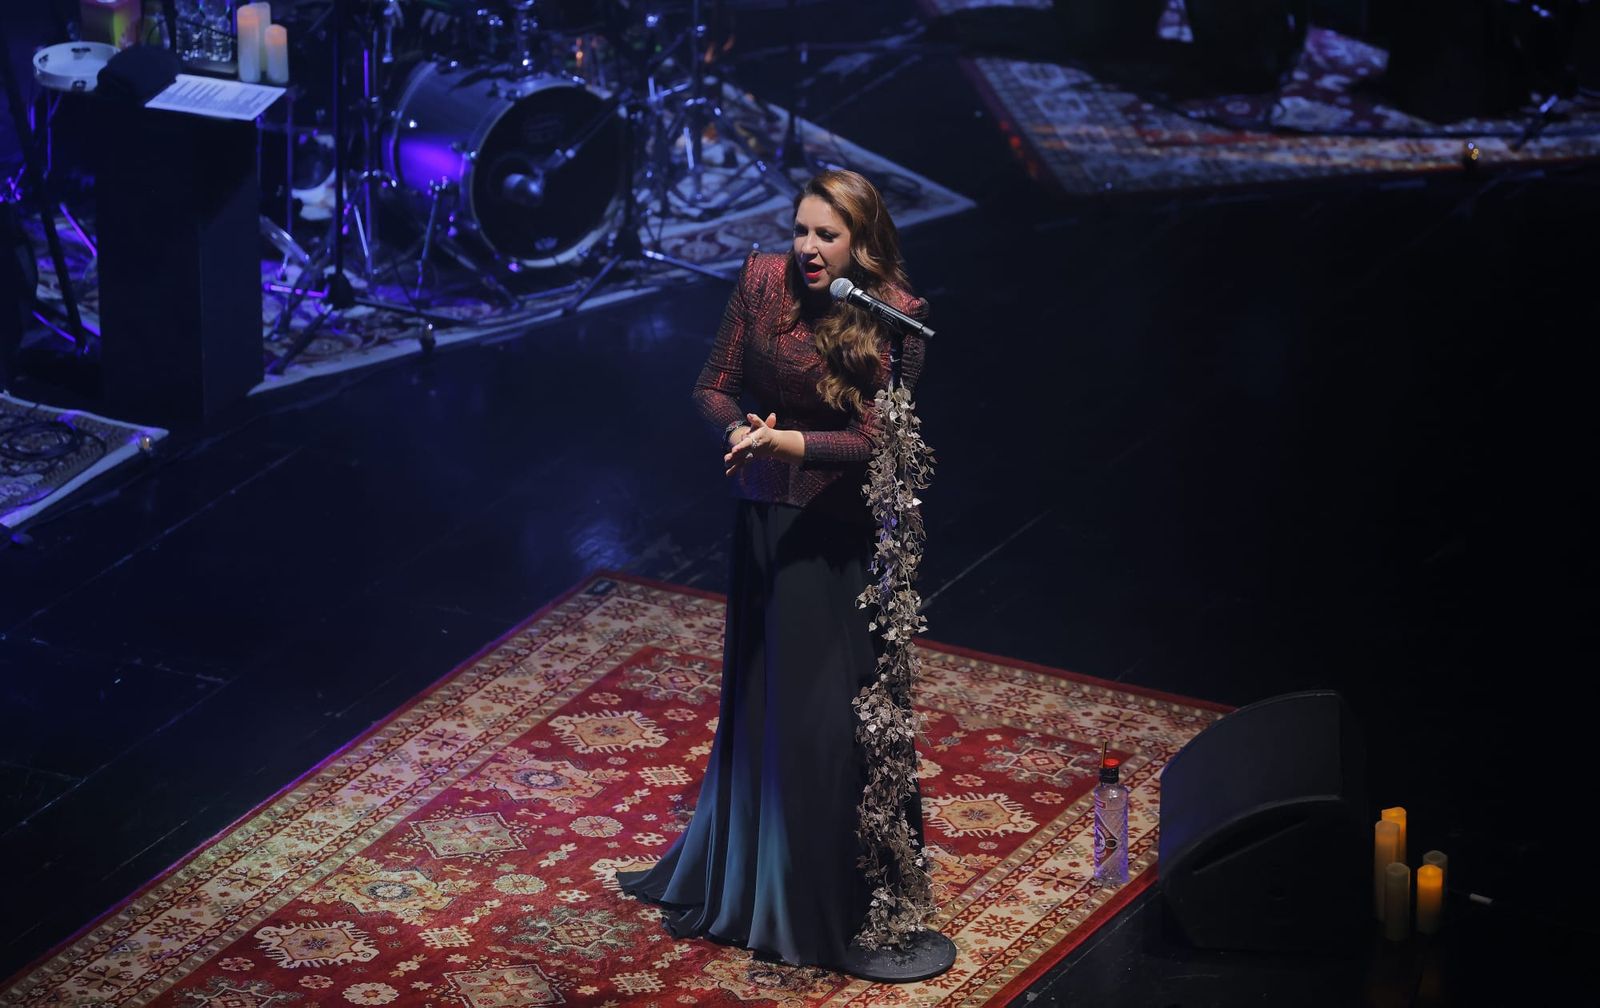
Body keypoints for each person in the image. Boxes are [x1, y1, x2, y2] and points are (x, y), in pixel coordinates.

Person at [615, 170, 953, 983]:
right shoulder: (761, 281)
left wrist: (784, 444)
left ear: (860, 246)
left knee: (825, 717)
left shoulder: (897, 318)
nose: (805, 247)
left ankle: (825, 896)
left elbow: (874, 442)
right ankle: (752, 883)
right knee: (768, 701)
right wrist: (739, 431)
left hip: (837, 535)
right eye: (800, 229)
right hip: (766, 519)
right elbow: (711, 385)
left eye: (824, 236)